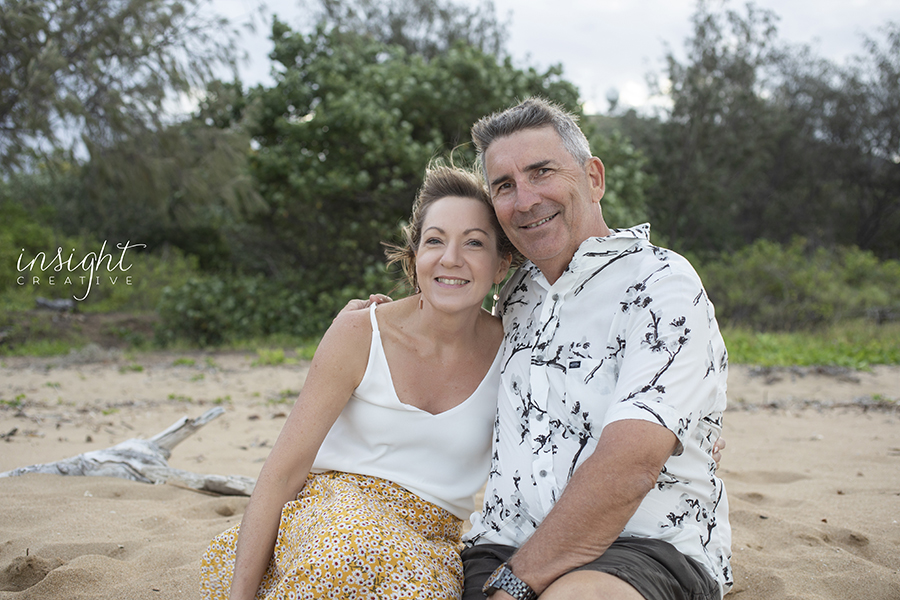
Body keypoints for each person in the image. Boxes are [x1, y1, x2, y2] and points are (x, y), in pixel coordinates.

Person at [456, 97, 732, 600]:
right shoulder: (515, 295)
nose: (524, 200)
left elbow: (631, 464)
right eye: (504, 186)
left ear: (594, 178)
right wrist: (378, 318)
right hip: (504, 542)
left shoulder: (661, 282)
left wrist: (513, 589)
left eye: (542, 172)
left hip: (640, 545)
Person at [198, 164, 514, 600]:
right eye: (434, 240)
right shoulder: (361, 333)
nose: (450, 258)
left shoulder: (515, 354)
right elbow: (282, 472)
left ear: (502, 264)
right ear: (414, 257)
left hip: (429, 545)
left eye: (473, 242)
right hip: (331, 514)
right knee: (345, 554)